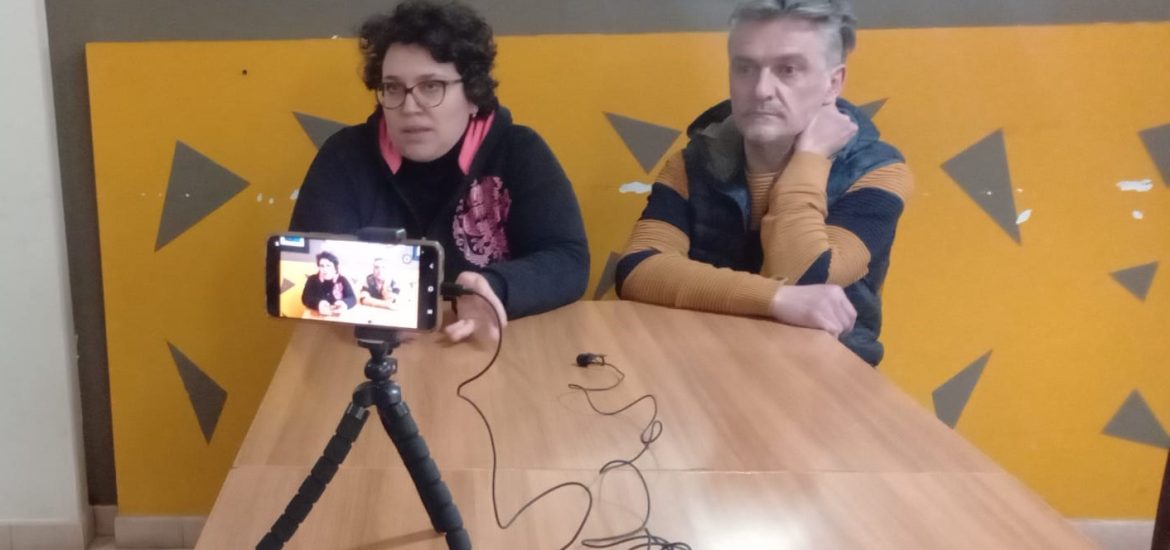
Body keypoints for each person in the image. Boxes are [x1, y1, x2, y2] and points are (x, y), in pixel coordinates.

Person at [615, 0, 913, 366]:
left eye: (788, 70)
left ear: (832, 83)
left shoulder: (877, 172)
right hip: (705, 362)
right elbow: (638, 269)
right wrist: (776, 299)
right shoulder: (694, 162)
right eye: (745, 68)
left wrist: (810, 158)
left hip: (824, 376)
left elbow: (806, 278)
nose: (760, 90)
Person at [290, 0, 589, 341]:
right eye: (393, 87)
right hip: (364, 352)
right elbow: (308, 265)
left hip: (487, 349)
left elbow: (569, 259)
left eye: (431, 86)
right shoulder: (345, 157)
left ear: (474, 94)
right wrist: (373, 311)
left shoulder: (520, 151)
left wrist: (495, 286)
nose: (409, 106)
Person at [301, 252, 357, 316]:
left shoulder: (342, 279)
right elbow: (305, 298)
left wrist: (344, 304)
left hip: (338, 315)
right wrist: (319, 304)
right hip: (316, 314)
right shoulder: (312, 279)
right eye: (322, 266)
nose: (325, 269)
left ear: (335, 267)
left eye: (328, 266)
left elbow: (352, 298)